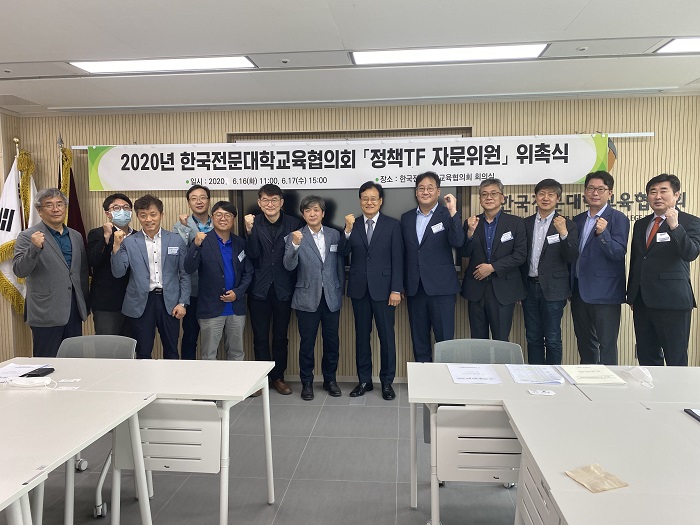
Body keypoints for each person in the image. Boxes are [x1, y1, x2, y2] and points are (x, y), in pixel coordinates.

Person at [627, 174, 700, 366]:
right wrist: (632, 294)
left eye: (663, 191)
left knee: (675, 357)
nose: (657, 196)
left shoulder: (691, 222)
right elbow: (637, 260)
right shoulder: (641, 224)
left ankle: (677, 388)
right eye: (653, 192)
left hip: (672, 302)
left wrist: (675, 226)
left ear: (676, 195)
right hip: (642, 301)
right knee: (647, 356)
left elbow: (690, 253)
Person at [342, 181, 404, 400]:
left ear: (380, 201)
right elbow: (342, 252)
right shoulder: (353, 225)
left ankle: (387, 382)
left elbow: (398, 259)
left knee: (386, 337)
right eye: (365, 198)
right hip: (359, 290)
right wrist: (347, 231)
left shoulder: (392, 225)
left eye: (373, 198)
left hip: (385, 291)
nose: (369, 202)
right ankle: (364, 381)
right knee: (361, 337)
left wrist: (396, 289)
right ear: (360, 201)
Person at [111, 194, 190, 359]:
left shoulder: (176, 240)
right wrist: (116, 246)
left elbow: (184, 274)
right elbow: (118, 272)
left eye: (153, 214)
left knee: (172, 350)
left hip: (170, 302)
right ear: (137, 216)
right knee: (143, 351)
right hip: (140, 302)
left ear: (161, 215)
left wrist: (182, 302)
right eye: (143, 215)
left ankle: (170, 377)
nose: (148, 219)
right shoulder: (129, 242)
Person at [13, 188, 89, 357]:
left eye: (59, 204)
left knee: (75, 362)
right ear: (39, 210)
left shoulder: (76, 236)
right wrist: (34, 248)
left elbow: (82, 273)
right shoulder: (27, 236)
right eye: (49, 205)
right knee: (47, 363)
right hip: (46, 312)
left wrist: (84, 304)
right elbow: (19, 270)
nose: (56, 209)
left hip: (74, 310)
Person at [283, 195, 345, 401]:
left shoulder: (334, 235)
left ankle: (330, 380)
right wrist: (294, 245)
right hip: (306, 297)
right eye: (308, 210)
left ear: (323, 213)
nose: (312, 214)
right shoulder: (295, 236)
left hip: (331, 297)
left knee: (332, 342)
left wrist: (339, 290)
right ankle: (307, 383)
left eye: (316, 210)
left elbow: (339, 265)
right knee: (307, 344)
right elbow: (288, 266)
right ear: (303, 214)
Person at [244, 184, 304, 395]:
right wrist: (249, 231)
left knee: (280, 336)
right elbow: (252, 254)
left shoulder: (294, 224)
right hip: (259, 290)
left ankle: (278, 377)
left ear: (281, 202)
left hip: (283, 288)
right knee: (260, 337)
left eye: (274, 200)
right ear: (259, 203)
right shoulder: (253, 223)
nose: (270, 204)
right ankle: (261, 379)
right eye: (266, 200)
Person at [400, 172, 463, 363]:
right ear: (416, 192)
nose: (425, 192)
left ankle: (444, 379)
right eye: (421, 188)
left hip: (442, 289)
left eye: (430, 188)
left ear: (438, 191)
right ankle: (423, 378)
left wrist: (453, 212)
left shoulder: (447, 215)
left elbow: (458, 241)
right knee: (419, 340)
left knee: (444, 341)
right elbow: (403, 253)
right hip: (415, 288)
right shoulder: (406, 218)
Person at [571, 171, 629, 365]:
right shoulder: (578, 220)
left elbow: (618, 253)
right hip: (579, 291)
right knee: (584, 342)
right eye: (590, 188)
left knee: (607, 344)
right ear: (585, 191)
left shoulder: (618, 218)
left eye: (600, 189)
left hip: (605, 292)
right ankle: (588, 377)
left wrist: (603, 234)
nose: (595, 193)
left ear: (609, 193)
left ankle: (609, 380)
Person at [185, 201, 253, 361]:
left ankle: (235, 380)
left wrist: (238, 292)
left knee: (237, 353)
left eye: (228, 215)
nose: (223, 218)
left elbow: (248, 272)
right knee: (209, 355)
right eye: (219, 215)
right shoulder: (202, 241)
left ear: (233, 219)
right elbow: (189, 268)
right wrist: (196, 246)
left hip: (236, 308)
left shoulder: (240, 243)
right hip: (210, 307)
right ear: (212, 217)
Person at [521, 179, 579, 364]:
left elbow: (571, 256)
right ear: (535, 197)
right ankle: (535, 373)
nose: (545, 198)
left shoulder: (567, 224)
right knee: (533, 336)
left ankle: (554, 375)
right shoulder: (526, 223)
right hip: (529, 287)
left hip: (554, 289)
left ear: (558, 198)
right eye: (542, 194)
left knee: (553, 338)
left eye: (551, 194)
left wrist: (563, 234)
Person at [462, 178, 527, 341]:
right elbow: (464, 253)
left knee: (501, 340)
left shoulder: (516, 223)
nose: (489, 197)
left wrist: (492, 267)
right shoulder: (472, 222)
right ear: (480, 199)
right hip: (476, 288)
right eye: (484, 194)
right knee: (478, 340)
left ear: (502, 198)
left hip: (504, 289)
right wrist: (470, 233)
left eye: (493, 193)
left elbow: (520, 255)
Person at [173, 185, 212, 360]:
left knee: (213, 336)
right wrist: (185, 228)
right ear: (188, 203)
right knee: (190, 335)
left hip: (214, 289)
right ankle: (187, 372)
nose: (199, 201)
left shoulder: (219, 221)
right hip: (193, 289)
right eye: (194, 198)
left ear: (209, 201)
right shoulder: (180, 226)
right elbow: (180, 254)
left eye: (203, 197)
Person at [87, 193, 135, 336]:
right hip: (107, 303)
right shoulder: (98, 234)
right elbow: (92, 261)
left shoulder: (138, 235)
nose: (122, 211)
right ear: (108, 213)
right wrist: (106, 238)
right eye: (116, 208)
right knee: (107, 346)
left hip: (133, 302)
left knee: (132, 345)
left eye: (126, 207)